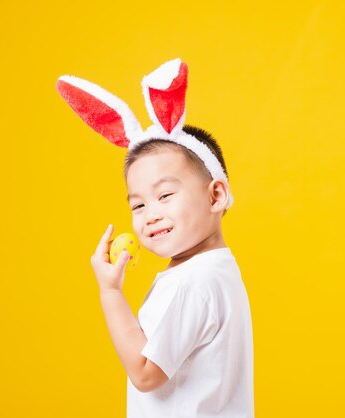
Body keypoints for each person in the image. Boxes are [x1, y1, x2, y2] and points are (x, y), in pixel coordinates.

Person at [56, 58, 254, 417]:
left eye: (165, 196)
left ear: (215, 196)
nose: (151, 214)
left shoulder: (190, 282)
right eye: (138, 204)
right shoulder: (219, 270)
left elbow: (146, 374)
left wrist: (111, 293)